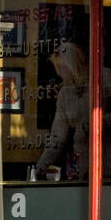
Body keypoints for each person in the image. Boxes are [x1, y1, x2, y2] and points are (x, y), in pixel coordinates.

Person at [36, 42, 90, 180]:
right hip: (83, 166)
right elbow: (58, 135)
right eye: (58, 69)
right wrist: (42, 165)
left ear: (73, 65)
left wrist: (102, 122)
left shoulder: (105, 78)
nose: (60, 74)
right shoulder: (65, 93)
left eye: (62, 68)